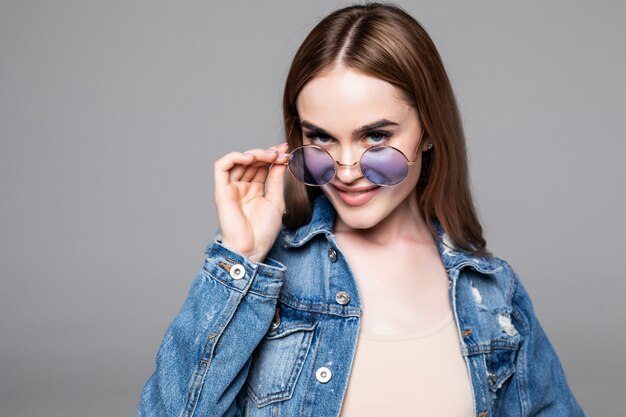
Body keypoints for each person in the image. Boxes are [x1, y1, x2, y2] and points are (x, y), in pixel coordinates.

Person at [138, 3, 585, 416]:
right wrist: (241, 259)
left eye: (375, 137)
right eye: (322, 137)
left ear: (428, 130)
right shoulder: (264, 279)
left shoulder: (490, 292)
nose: (347, 171)